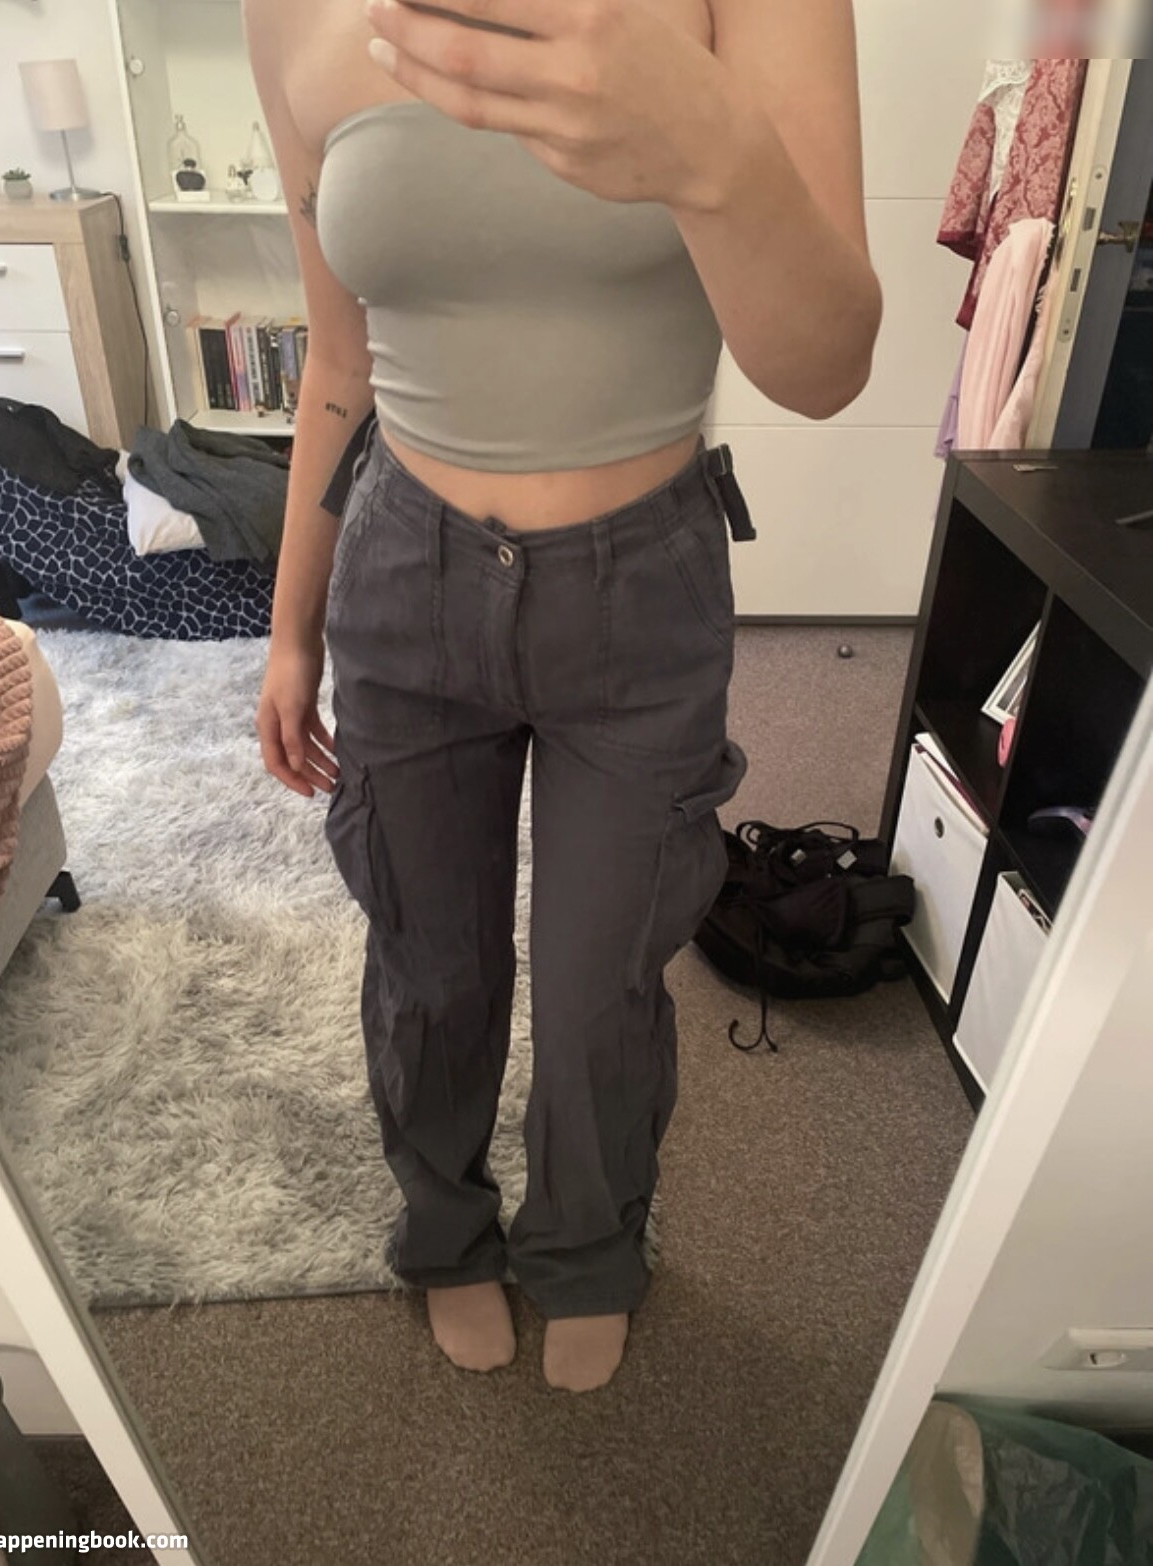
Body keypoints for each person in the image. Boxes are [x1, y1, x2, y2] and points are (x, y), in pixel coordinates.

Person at [246, 0, 880, 1393]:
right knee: (429, 964)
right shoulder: (284, 11)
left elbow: (828, 368)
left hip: (640, 591)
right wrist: (289, 627)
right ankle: (445, 1231)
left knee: (602, 981)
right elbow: (338, 360)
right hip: (403, 572)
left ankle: (590, 1244)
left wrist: (713, 146)